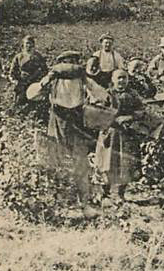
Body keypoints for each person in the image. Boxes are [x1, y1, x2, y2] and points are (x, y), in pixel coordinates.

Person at [32, 51, 108, 215]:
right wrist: (44, 82)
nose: (71, 65)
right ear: (62, 62)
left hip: (76, 119)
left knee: (80, 160)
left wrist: (100, 100)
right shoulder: (54, 78)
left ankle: (84, 202)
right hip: (58, 119)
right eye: (68, 61)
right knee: (56, 158)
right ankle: (59, 201)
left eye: (74, 61)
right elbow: (33, 94)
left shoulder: (82, 78)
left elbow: (100, 93)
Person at [94, 69, 144, 202]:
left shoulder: (133, 94)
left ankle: (120, 194)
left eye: (124, 78)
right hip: (109, 133)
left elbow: (141, 111)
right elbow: (98, 111)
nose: (121, 81)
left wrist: (129, 117)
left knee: (125, 163)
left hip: (127, 134)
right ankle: (103, 192)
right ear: (113, 79)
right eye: (119, 78)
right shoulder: (107, 94)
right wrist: (112, 119)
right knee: (106, 162)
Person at [7, 35, 47, 107]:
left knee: (36, 103)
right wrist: (15, 81)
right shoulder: (18, 57)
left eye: (31, 44)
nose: (28, 46)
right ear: (23, 45)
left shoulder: (38, 57)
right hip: (22, 83)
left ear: (33, 45)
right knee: (19, 103)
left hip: (35, 84)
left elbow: (45, 71)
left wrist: (39, 80)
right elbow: (12, 73)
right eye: (27, 43)